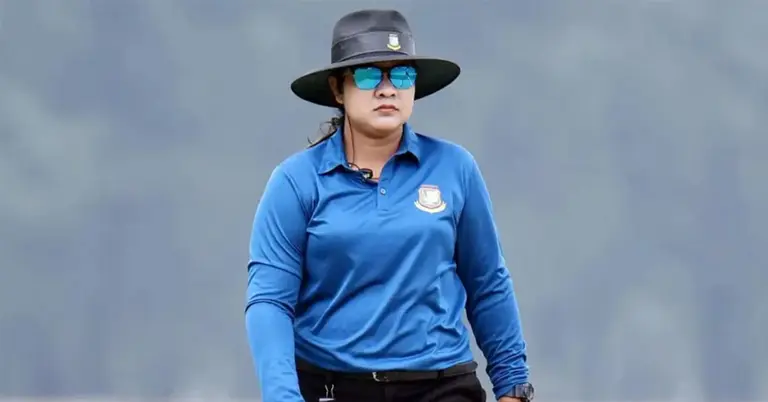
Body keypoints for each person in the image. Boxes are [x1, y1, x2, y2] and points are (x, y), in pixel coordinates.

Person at [245, 9, 534, 402]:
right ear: (338, 89)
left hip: (441, 386)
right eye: (368, 76)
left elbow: (487, 283)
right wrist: (282, 397)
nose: (387, 89)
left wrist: (513, 386)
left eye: (401, 75)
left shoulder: (455, 168)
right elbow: (270, 301)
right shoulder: (296, 181)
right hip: (332, 387)